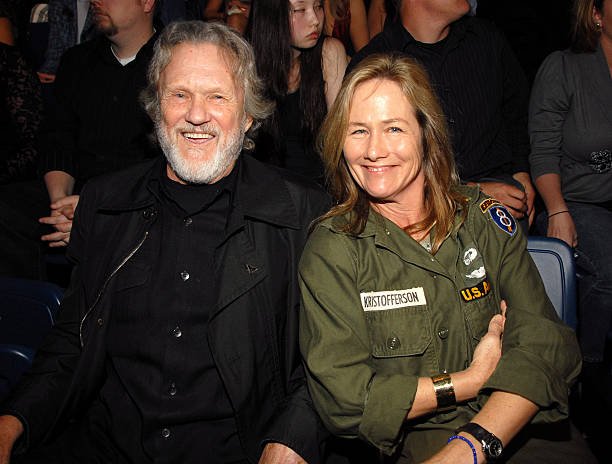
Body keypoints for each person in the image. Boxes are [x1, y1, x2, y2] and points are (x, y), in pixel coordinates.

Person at [0, 20, 329, 463]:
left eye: (217, 96)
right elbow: (70, 345)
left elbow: (322, 364)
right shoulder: (105, 204)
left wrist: (290, 441)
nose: (196, 115)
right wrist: (13, 421)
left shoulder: (301, 216)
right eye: (179, 95)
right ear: (156, 109)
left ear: (248, 114)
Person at [299, 54, 595, 463]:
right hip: (416, 442)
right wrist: (468, 381)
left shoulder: (482, 219)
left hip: (521, 424)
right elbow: (345, 399)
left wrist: (471, 445)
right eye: (358, 131)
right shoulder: (334, 249)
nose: (373, 150)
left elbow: (547, 344)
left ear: (426, 133)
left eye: (394, 128)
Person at [350, 0, 535, 229]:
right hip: (414, 200)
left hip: (500, 190)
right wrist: (469, 193)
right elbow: (373, 168)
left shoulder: (486, 39)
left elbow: (516, 112)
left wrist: (521, 171)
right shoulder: (376, 67)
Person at [529, 0, 612, 456]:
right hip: (573, 201)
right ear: (596, 16)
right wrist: (557, 209)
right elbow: (542, 151)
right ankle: (589, 373)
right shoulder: (563, 68)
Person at [38, 0, 160, 248]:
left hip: (143, 206)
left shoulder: (174, 64)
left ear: (147, 2)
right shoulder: (76, 60)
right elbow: (58, 138)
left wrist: (93, 210)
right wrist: (61, 206)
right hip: (76, 197)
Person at [248, 0, 347, 182]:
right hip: (264, 188)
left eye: (318, 6)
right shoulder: (247, 62)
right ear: (271, 16)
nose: (315, 20)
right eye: (300, 9)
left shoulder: (329, 53)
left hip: (319, 189)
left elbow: (340, 139)